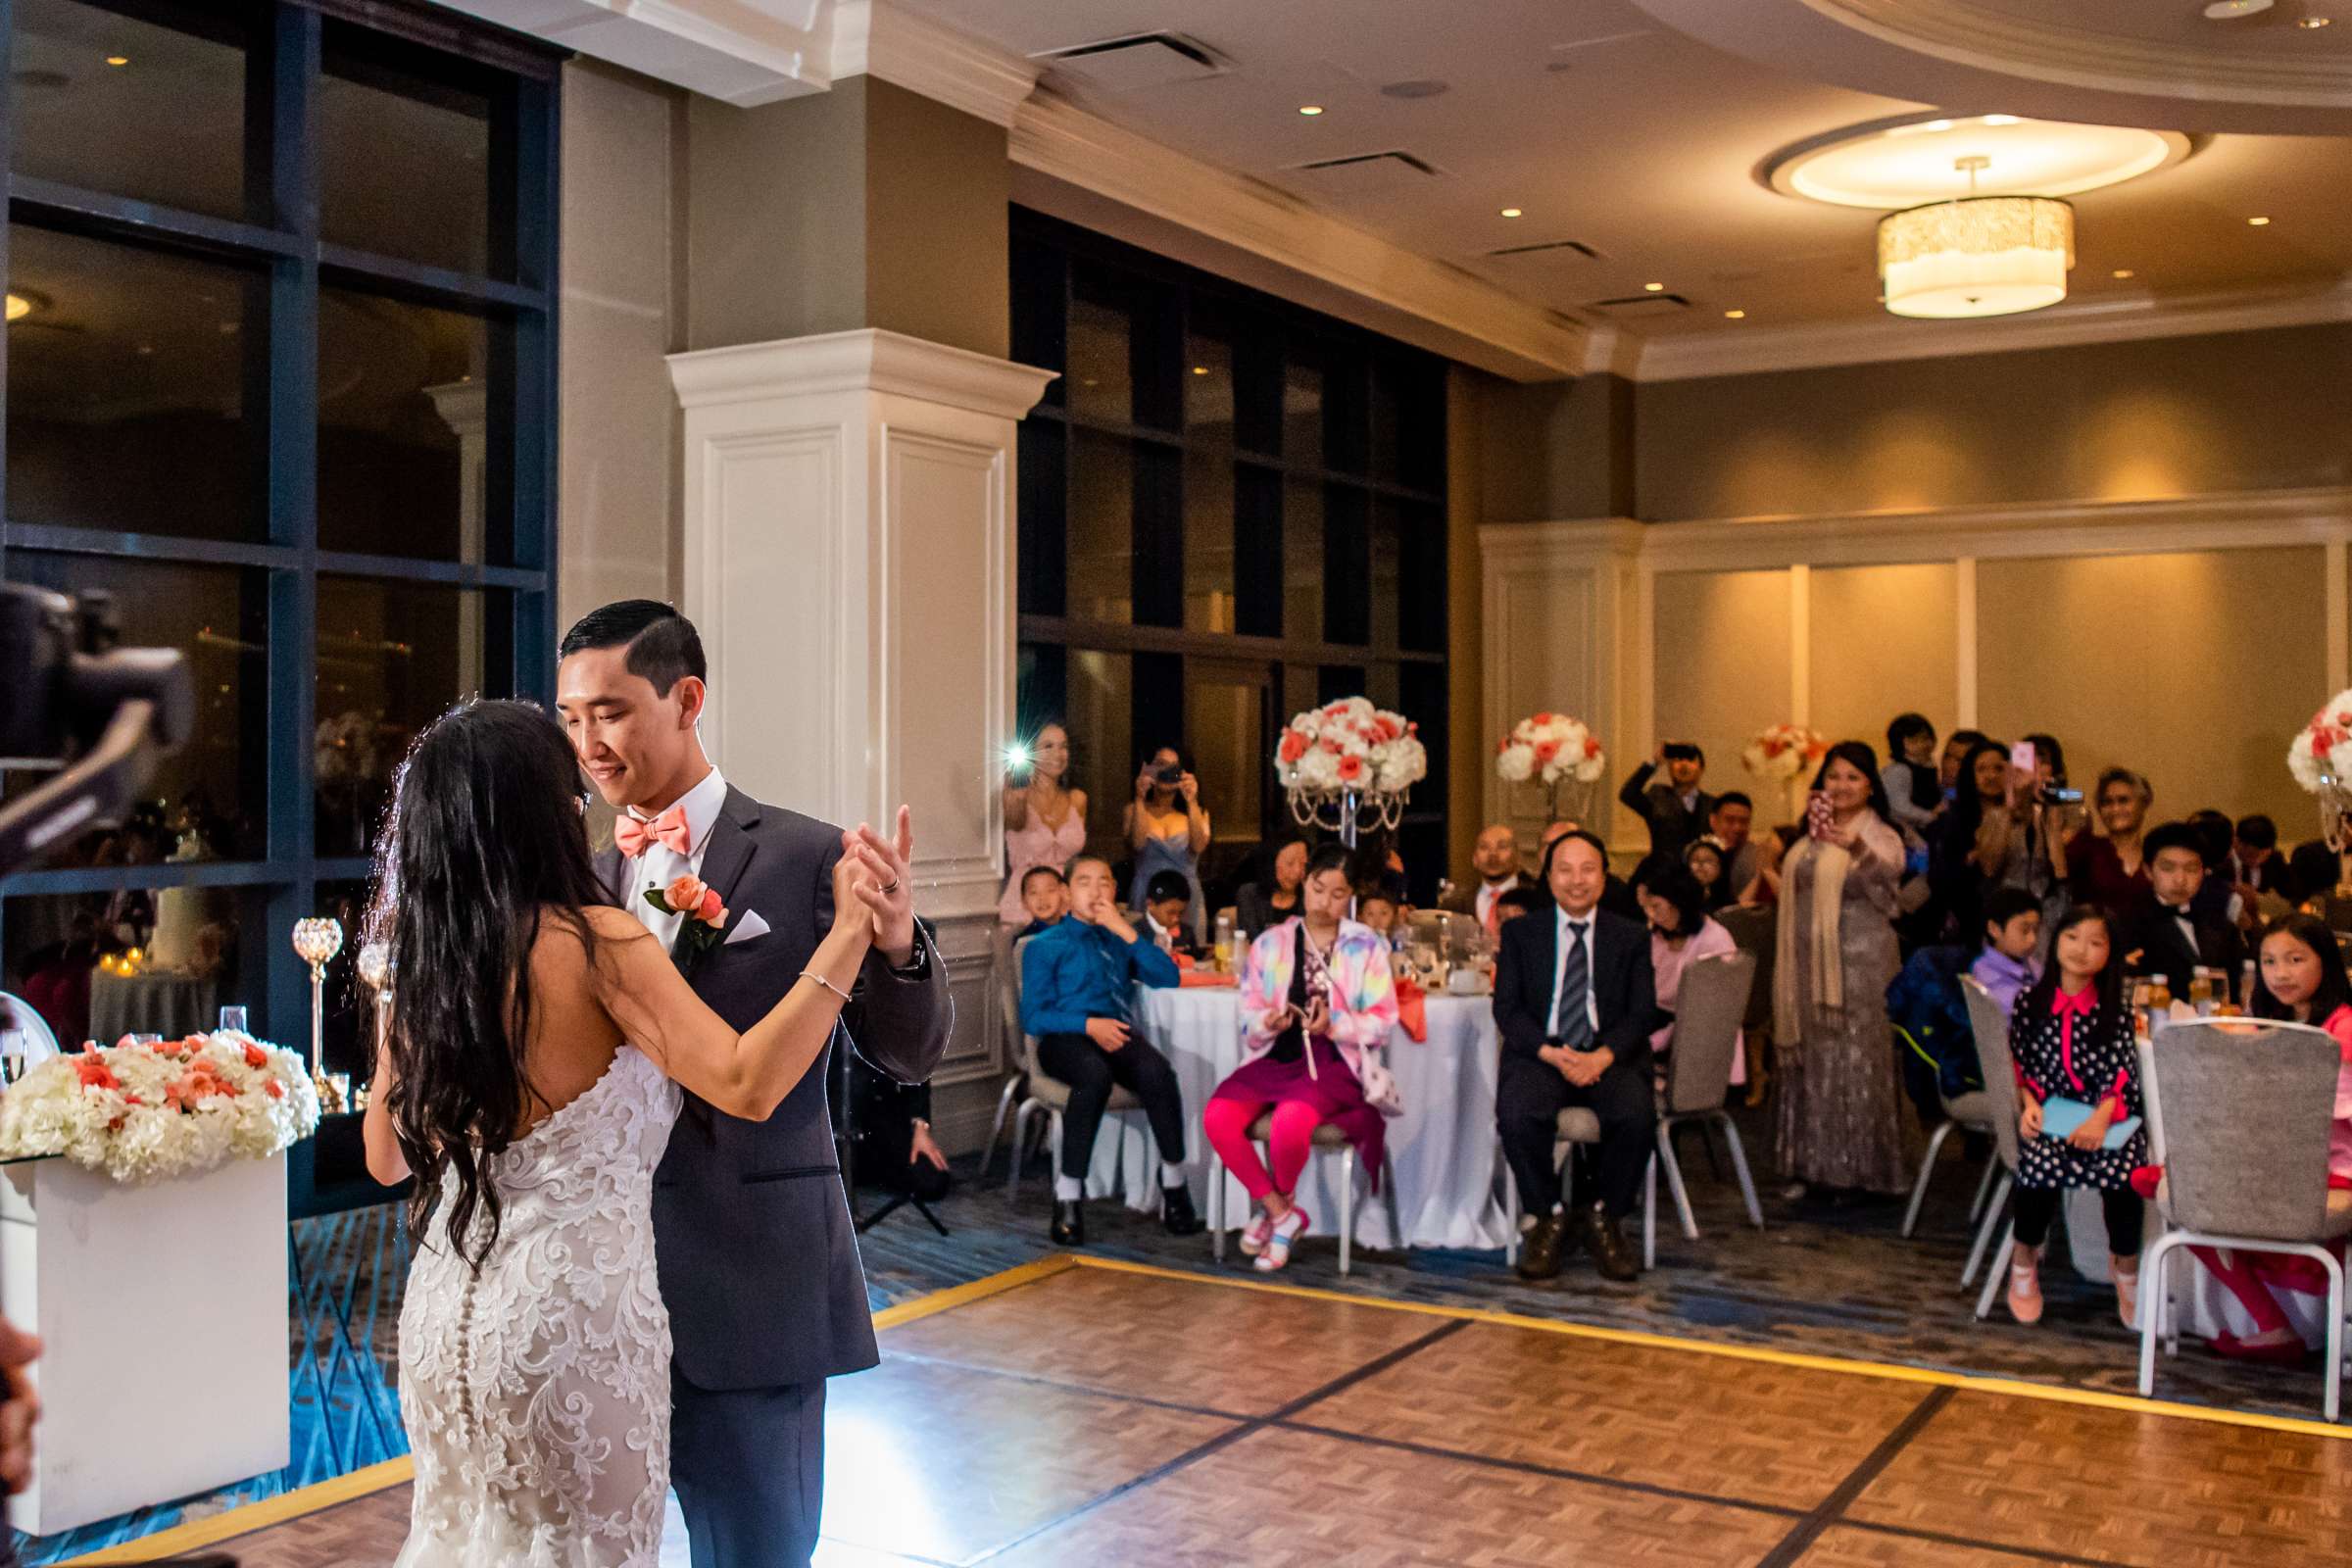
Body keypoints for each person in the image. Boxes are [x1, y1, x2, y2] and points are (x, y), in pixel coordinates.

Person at [362, 698, 907, 1568]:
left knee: (462, 1540)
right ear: (541, 811)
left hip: (443, 1320)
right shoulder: (596, 943)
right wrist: (845, 938)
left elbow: (386, 1158)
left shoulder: (415, 958)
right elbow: (747, 1083)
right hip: (567, 1322)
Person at [551, 602, 949, 1568]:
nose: (589, 742)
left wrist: (893, 942)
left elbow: (908, 1054)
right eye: (571, 718)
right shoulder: (581, 878)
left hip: (753, 1277)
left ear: (687, 699)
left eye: (610, 711)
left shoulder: (806, 855)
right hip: (603, 1292)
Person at [1205, 846, 1401, 1273]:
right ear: (1304, 884)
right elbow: (1249, 1010)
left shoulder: (1364, 944)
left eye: (1337, 894)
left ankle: (1278, 1215)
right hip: (1281, 1055)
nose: (1325, 901)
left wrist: (1335, 1026)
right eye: (1317, 889)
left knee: (1290, 1121)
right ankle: (1281, 1211)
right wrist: (1268, 1021)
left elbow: (1383, 1020)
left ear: (1349, 897)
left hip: (1336, 1060)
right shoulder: (1272, 941)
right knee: (1218, 1116)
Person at [1494, 829, 1661, 1282]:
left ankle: (1605, 1215)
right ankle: (1547, 1215)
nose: (1577, 880)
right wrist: (1550, 1053)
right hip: (1544, 1054)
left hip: (1607, 1056)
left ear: (1604, 878)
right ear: (1548, 877)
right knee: (1517, 1111)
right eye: (1565, 870)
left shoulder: (1629, 936)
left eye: (1588, 869)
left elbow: (1642, 1011)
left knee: (1635, 1114)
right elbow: (1507, 1010)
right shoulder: (1521, 934)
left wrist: (1602, 1057)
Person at [2183, 913, 2352, 1360]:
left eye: (2296, 959)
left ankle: (2275, 1325)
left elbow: (2310, 1113)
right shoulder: (2273, 1021)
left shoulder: (2344, 1028)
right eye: (2270, 961)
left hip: (2330, 1169)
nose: (2281, 973)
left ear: (2326, 962)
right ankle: (2274, 1324)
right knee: (2179, 1185)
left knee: (2182, 1186)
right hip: (2281, 1162)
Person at [1019, 856, 1204, 1247]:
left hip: (1115, 1032)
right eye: (1085, 882)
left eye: (1104, 882)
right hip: (1065, 1038)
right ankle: (1068, 1194)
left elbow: (1166, 977)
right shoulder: (1044, 945)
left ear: (1114, 892)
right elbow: (1034, 1017)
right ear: (1068, 894)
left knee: (1157, 1072)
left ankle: (1173, 1184)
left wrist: (1127, 932)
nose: (1096, 890)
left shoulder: (1118, 939)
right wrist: (1088, 1026)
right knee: (1094, 1077)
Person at [1774, 741, 1909, 1199]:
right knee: (1813, 1061)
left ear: (1871, 786)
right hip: (1806, 964)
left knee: (1855, 1061)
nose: (1842, 785)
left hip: (1862, 964)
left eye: (1853, 777)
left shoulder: (1881, 833)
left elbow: (1892, 882)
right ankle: (1812, 1166)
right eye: (1833, 776)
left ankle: (1861, 1172)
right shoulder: (1810, 831)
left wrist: (1858, 850)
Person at [2002, 905, 2147, 1328]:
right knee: (2039, 1165)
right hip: (2050, 1111)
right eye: (2072, 937)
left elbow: (2121, 1072)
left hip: (2104, 1113)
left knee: (2124, 1169)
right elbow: (2020, 1065)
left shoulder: (2114, 1009)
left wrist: (2100, 1119)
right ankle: (2024, 1257)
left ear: (2110, 953)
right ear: (2056, 941)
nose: (2082, 950)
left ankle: (2125, 1263)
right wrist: (2028, 1105)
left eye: (2096, 942)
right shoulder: (2031, 1001)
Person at [1634, 856, 1740, 1084]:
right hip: (1655, 1019)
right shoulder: (1655, 936)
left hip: (1694, 1030)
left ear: (1679, 901)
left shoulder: (1715, 940)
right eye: (1646, 908)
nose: (1650, 916)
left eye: (1656, 907)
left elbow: (1716, 1008)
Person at [2120, 821, 2249, 1004]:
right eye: (2168, 868)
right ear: (2148, 871)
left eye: (2191, 869)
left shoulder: (2221, 925)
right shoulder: (2128, 923)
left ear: (2203, 872)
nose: (2180, 880)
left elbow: (2238, 984)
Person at [998, 721, 1087, 929]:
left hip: (1068, 904)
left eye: (1063, 746)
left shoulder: (1078, 799)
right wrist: (1012, 787)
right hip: (1026, 905)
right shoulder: (1016, 797)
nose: (1058, 753)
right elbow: (1016, 821)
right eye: (1048, 746)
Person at [1125, 746, 1209, 944]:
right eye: (1161, 764)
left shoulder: (1197, 812)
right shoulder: (1133, 809)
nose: (1167, 772)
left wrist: (1192, 801)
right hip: (1147, 893)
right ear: (1149, 768)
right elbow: (1137, 844)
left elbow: (1198, 847)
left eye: (1175, 767)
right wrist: (1139, 797)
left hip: (1185, 897)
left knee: (1188, 956)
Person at [2067, 767, 2153, 913]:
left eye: (2123, 800)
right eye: (2106, 802)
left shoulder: (2155, 854)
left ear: (2143, 804)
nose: (2115, 809)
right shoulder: (2085, 847)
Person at [1618, 741, 1715, 859]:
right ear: (1670, 767)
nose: (1684, 764)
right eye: (1678, 759)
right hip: (1661, 872)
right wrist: (1654, 763)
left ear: (1701, 768)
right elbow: (1628, 794)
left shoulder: (1713, 805)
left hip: (1700, 871)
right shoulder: (1657, 796)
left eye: (1690, 760)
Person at [1970, 886, 2044, 1017]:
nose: (2033, 940)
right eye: (2024, 930)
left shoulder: (2029, 963)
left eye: (2036, 930)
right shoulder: (1986, 981)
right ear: (1994, 929)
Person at [1443, 822, 1522, 934]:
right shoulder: (1455, 904)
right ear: (1474, 859)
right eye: (1484, 847)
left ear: (1517, 857)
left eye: (1502, 847)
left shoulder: (1537, 901)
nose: (1493, 854)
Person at [1236, 835, 1310, 939]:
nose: (1298, 871)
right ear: (1271, 864)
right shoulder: (1249, 894)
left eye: (1303, 864)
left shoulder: (1310, 899)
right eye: (1290, 863)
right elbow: (1253, 940)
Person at [1882, 713, 1943, 835]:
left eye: (1926, 738)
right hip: (1906, 833)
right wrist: (1929, 816)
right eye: (1914, 741)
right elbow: (1898, 807)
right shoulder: (1899, 770)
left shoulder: (1928, 767)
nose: (1922, 745)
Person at [1708, 793, 1763, 898]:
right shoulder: (1699, 855)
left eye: (1744, 821)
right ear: (1713, 821)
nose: (1737, 828)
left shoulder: (1755, 857)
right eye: (1729, 820)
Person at [2230, 815, 2286, 903]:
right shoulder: (2222, 861)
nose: (2257, 860)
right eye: (2251, 855)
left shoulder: (2274, 859)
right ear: (2237, 842)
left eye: (2264, 855)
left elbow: (2289, 893)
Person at [1142, 868, 1197, 956]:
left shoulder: (1186, 932)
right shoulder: (1136, 934)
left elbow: (1195, 958)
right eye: (1171, 913)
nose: (1176, 919)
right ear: (1150, 904)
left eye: (1181, 913)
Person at [1014, 864, 1068, 939]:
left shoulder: (1078, 930)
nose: (1042, 898)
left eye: (1050, 890)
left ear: (1063, 893)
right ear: (1024, 902)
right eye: (1034, 892)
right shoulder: (1025, 940)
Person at [1684, 837, 1731, 911]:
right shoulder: (1679, 900)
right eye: (1695, 860)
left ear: (1721, 866)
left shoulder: (1729, 903)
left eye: (1708, 860)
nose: (1700, 864)